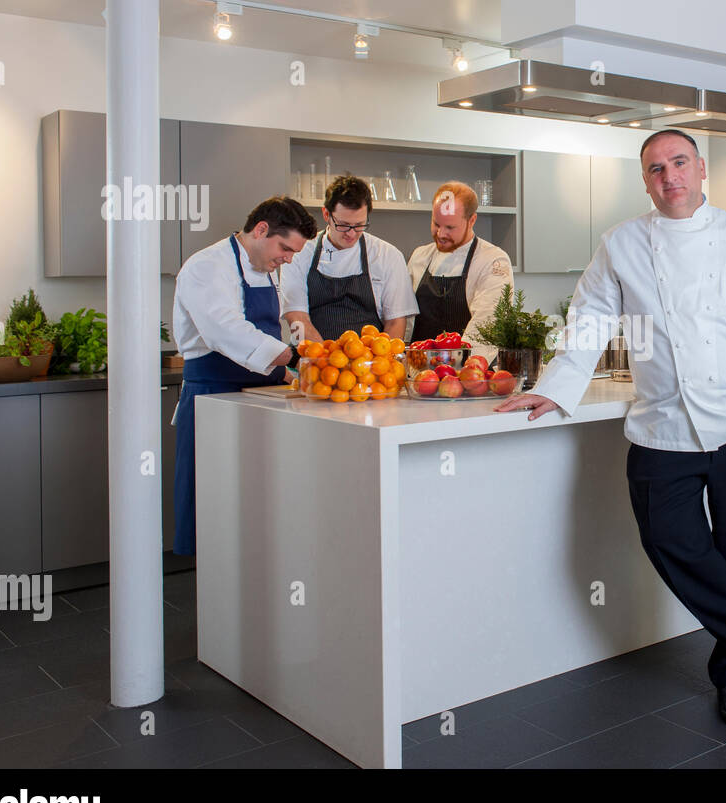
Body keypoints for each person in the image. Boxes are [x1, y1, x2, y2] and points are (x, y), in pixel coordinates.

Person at [495, 129, 726, 725]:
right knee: (668, 537)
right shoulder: (622, 243)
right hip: (663, 421)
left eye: (679, 163)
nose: (670, 176)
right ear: (645, 181)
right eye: (656, 168)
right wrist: (554, 389)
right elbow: (588, 319)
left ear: (702, 168)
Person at [171, 196, 317, 556]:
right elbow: (226, 331)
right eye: (285, 248)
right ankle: (212, 587)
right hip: (214, 396)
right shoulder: (206, 266)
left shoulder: (267, 267)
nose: (288, 259)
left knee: (257, 499)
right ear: (261, 229)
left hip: (262, 397)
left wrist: (288, 368)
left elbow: (271, 332)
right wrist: (296, 359)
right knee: (212, 497)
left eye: (294, 253)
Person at [281, 174, 417, 343]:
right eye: (343, 225)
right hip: (314, 360)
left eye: (360, 224)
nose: (352, 233)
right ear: (326, 214)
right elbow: (296, 317)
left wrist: (381, 362)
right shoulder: (299, 253)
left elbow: (396, 321)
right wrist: (322, 359)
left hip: (370, 365)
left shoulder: (387, 255)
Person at [406, 181, 513, 362]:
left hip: (467, 373)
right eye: (436, 224)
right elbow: (407, 320)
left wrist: (458, 369)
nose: (440, 234)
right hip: (420, 372)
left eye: (450, 227)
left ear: (472, 220)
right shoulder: (420, 256)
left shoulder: (493, 260)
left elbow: (486, 324)